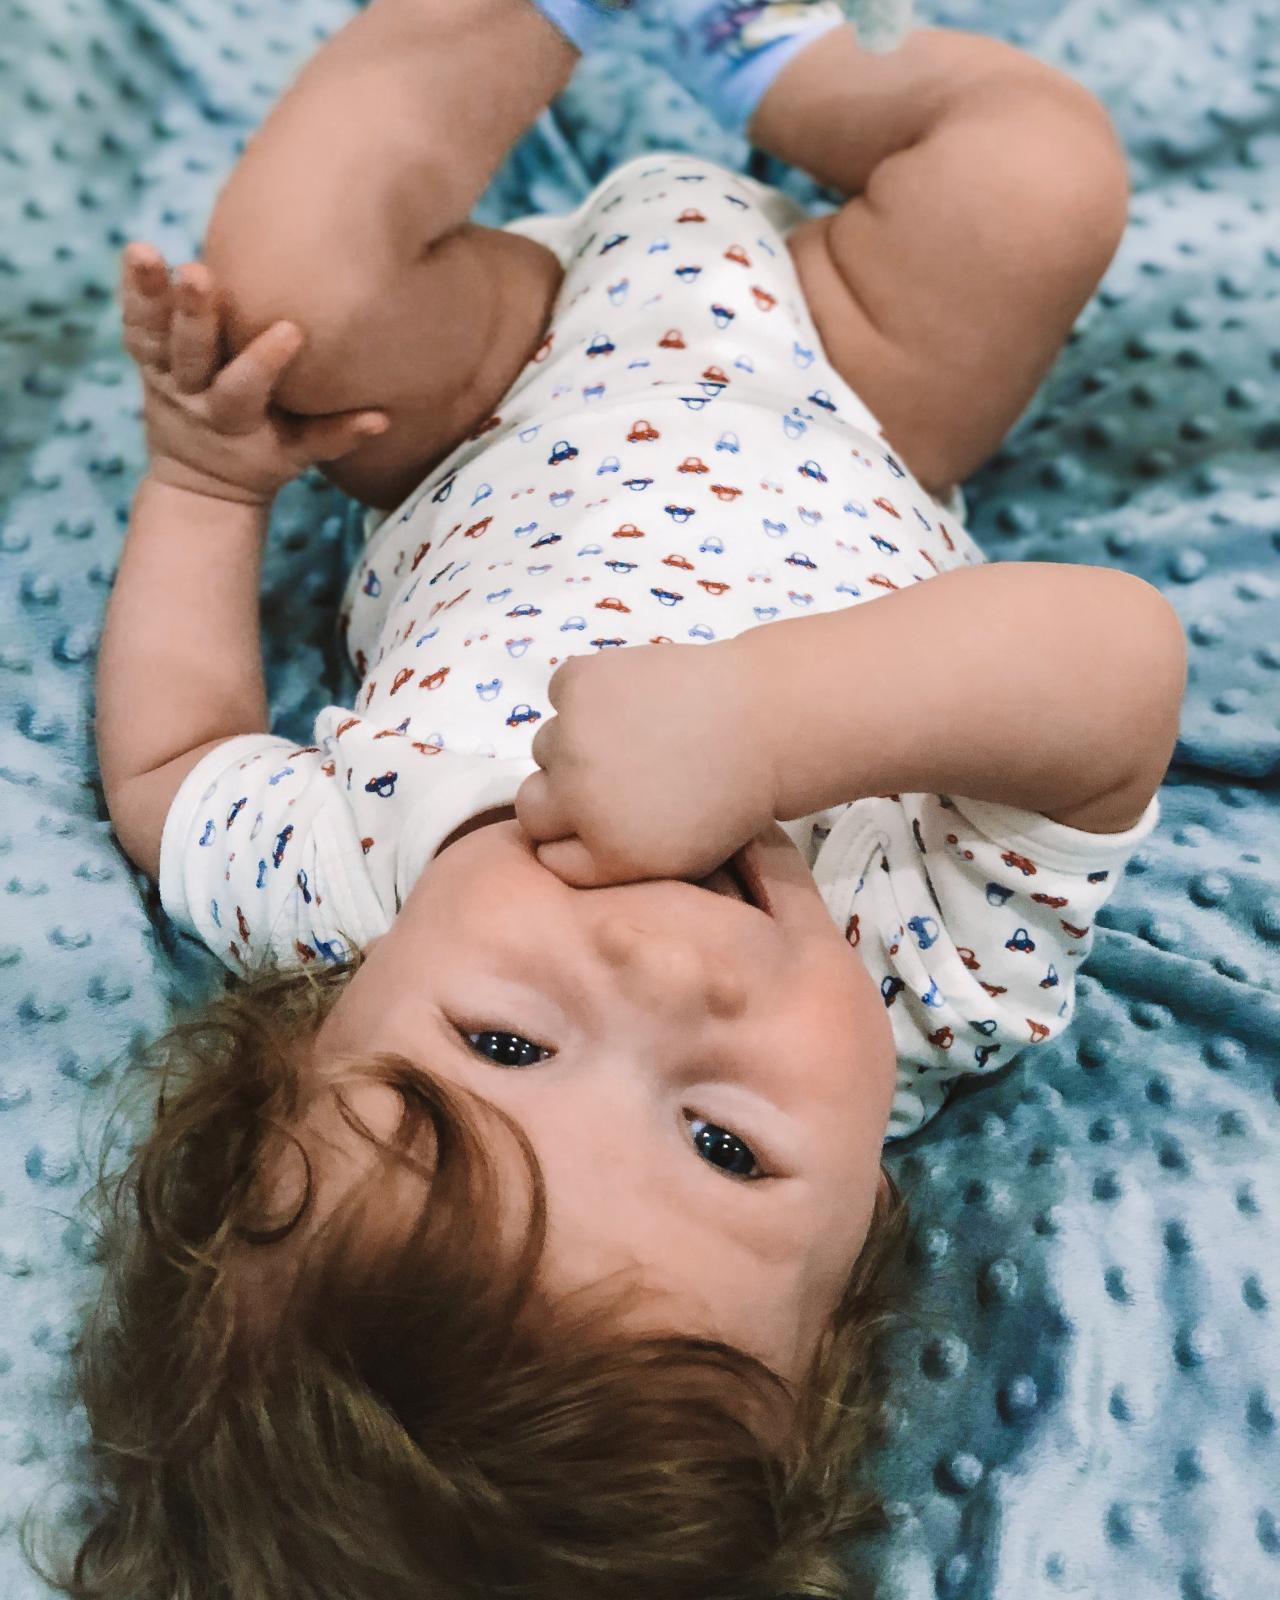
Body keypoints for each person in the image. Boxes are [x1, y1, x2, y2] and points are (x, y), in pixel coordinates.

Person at [62, 3, 1186, 1596]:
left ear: (311, 1039)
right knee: (1043, 179)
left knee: (282, 295)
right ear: (867, 1235)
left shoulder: (347, 890)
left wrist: (205, 482)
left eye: (504, 1046)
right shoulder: (932, 983)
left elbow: (169, 764)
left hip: (482, 383)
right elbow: (1113, 663)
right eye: (726, 1145)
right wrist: (767, 727)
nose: (663, 968)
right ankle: (770, 52)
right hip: (860, 372)